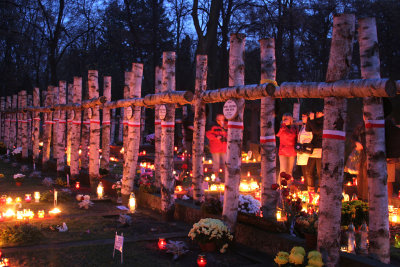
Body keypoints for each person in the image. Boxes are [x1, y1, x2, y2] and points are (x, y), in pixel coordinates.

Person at [305, 109, 324, 191]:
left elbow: (316, 131)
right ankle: (311, 189)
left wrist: (312, 120)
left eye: (318, 111)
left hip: (320, 149)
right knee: (309, 171)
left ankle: (320, 190)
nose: (317, 113)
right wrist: (309, 120)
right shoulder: (314, 121)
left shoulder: (325, 122)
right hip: (313, 149)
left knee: (320, 172)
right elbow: (308, 129)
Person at [206, 114, 227, 180]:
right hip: (215, 148)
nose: (220, 121)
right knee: (216, 163)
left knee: (225, 163)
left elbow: (230, 134)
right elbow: (208, 134)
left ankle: (226, 177)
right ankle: (216, 177)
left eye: (222, 119)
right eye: (219, 119)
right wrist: (216, 137)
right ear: (216, 119)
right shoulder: (213, 126)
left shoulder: (226, 125)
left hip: (224, 147)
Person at [277, 113, 298, 178]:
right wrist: (283, 126)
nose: (285, 120)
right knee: (283, 171)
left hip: (292, 151)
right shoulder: (281, 127)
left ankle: (288, 186)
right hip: (283, 151)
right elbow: (278, 134)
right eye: (284, 119)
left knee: (289, 171)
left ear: (290, 120)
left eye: (287, 119)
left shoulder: (294, 128)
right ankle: (281, 186)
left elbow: (297, 138)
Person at [296, 112, 313, 188]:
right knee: (303, 170)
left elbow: (311, 137)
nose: (303, 118)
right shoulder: (302, 126)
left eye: (304, 116)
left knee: (307, 171)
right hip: (301, 151)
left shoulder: (310, 126)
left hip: (305, 150)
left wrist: (304, 145)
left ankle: (309, 187)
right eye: (302, 116)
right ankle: (305, 185)